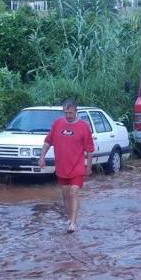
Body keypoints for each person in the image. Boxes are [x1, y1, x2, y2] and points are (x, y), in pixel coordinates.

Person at [37, 98, 94, 233]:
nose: (68, 116)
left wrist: (89, 167)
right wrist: (41, 157)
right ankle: (69, 218)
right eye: (65, 113)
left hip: (77, 167)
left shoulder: (84, 127)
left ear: (76, 111)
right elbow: (48, 142)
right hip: (62, 167)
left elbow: (90, 150)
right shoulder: (57, 124)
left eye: (70, 113)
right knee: (65, 194)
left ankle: (73, 222)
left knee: (74, 191)